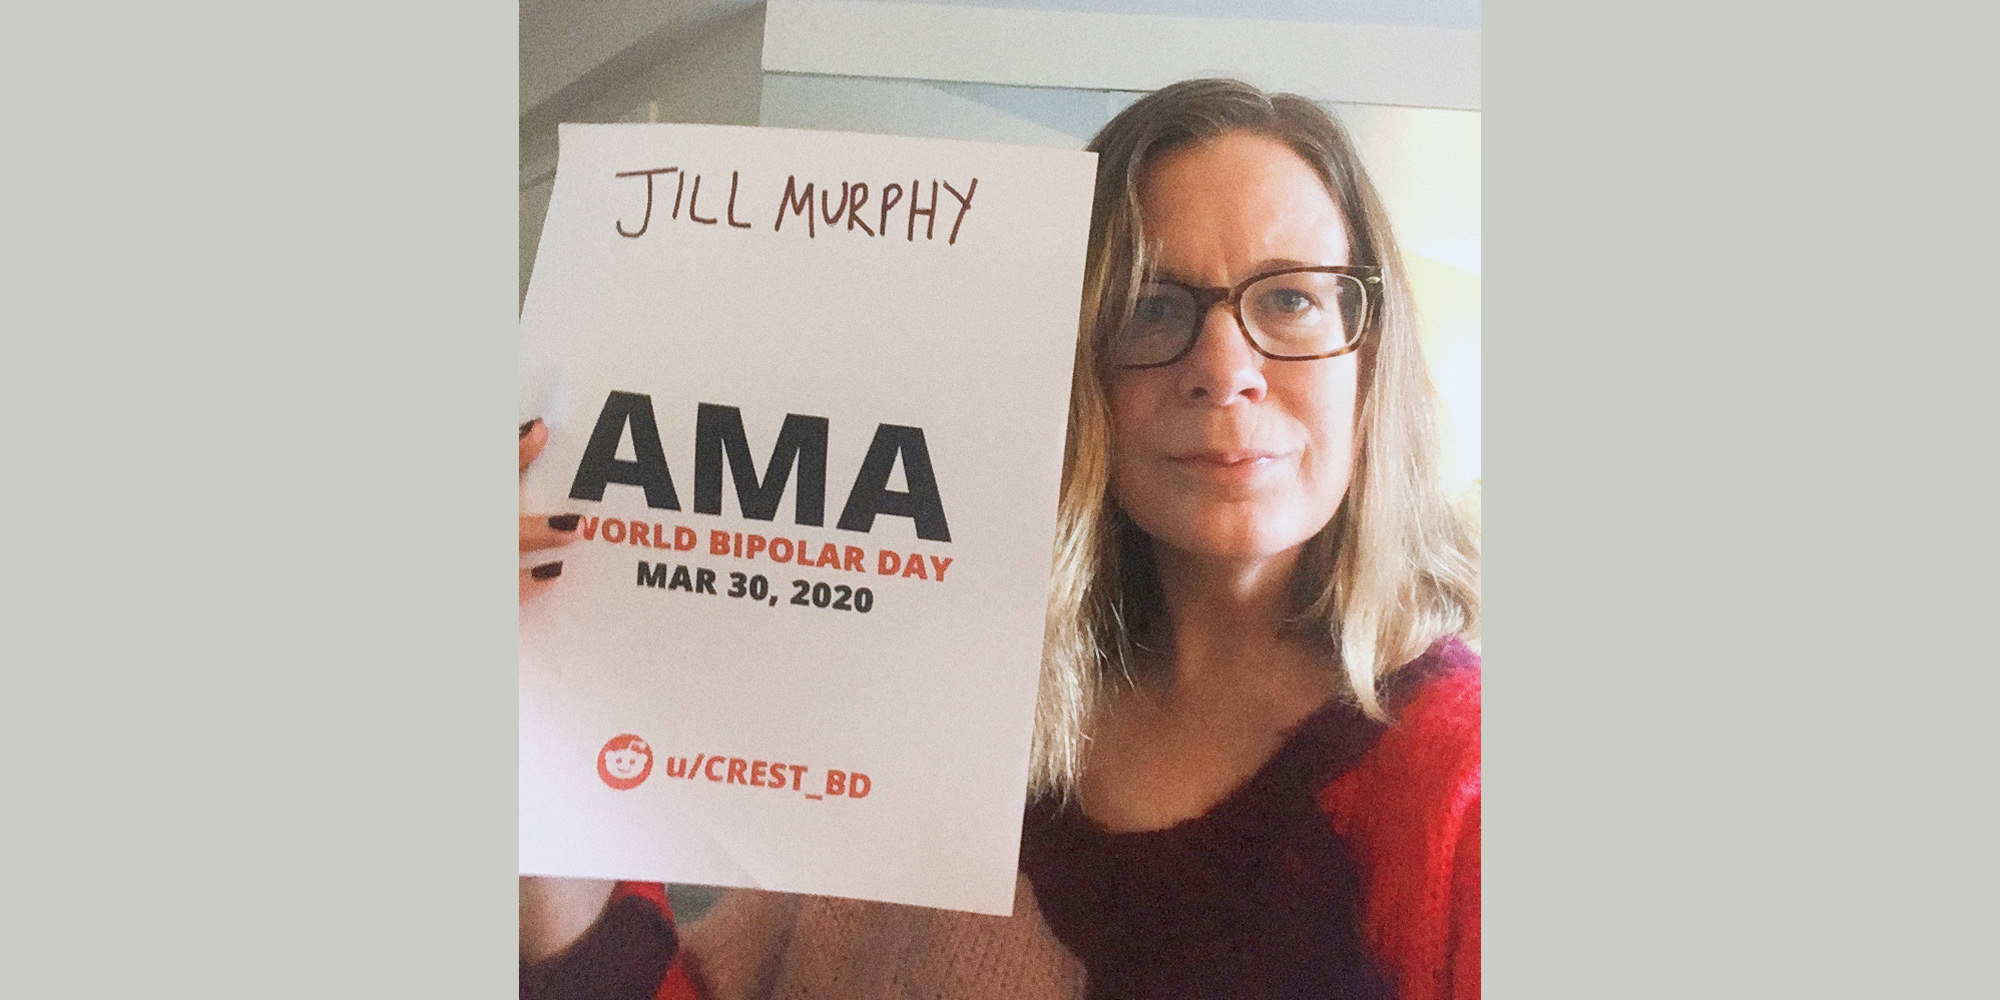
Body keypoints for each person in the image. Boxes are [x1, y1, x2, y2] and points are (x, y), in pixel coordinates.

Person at [518, 78, 1480, 1000]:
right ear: (1066, 366)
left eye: (1291, 298)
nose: (1224, 370)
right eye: (1148, 304)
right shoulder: (937, 725)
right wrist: (546, 843)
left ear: (1372, 352)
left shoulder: (1462, 796)